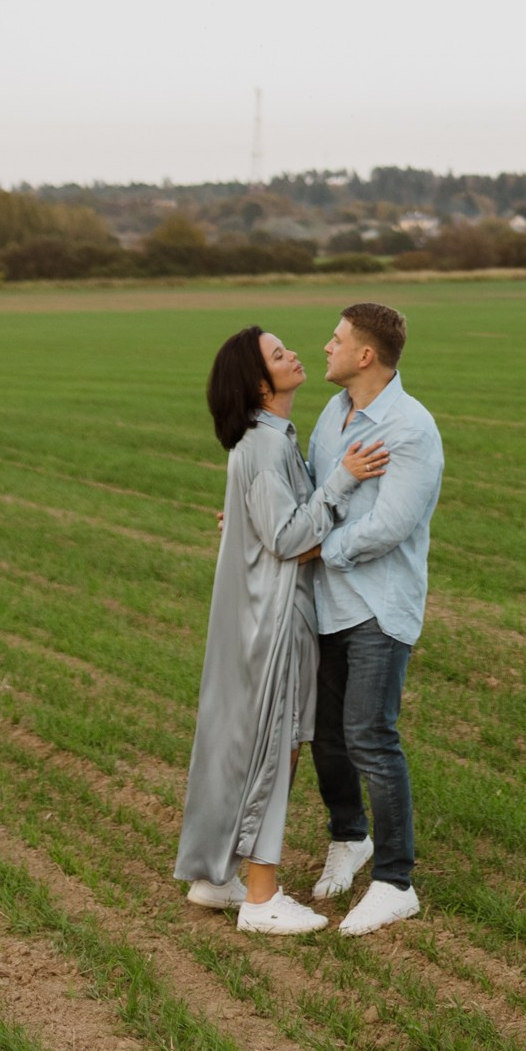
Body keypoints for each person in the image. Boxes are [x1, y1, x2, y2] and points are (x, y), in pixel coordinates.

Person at [174, 324, 392, 935]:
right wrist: (343, 479)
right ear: (259, 383)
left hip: (252, 614)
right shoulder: (267, 447)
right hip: (274, 620)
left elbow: (263, 525)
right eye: (278, 354)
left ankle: (214, 876)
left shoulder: (260, 442)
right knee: (273, 748)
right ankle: (262, 897)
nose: (294, 353)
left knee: (236, 744)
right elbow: (290, 539)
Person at [302, 301, 445, 935]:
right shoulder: (332, 417)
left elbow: (391, 525)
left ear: (366, 355)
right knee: (326, 734)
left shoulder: (410, 428)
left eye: (336, 340)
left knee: (370, 737)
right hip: (327, 603)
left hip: (378, 607)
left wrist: (318, 551)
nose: (325, 348)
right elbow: (314, 494)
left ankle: (395, 881)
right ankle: (348, 836)